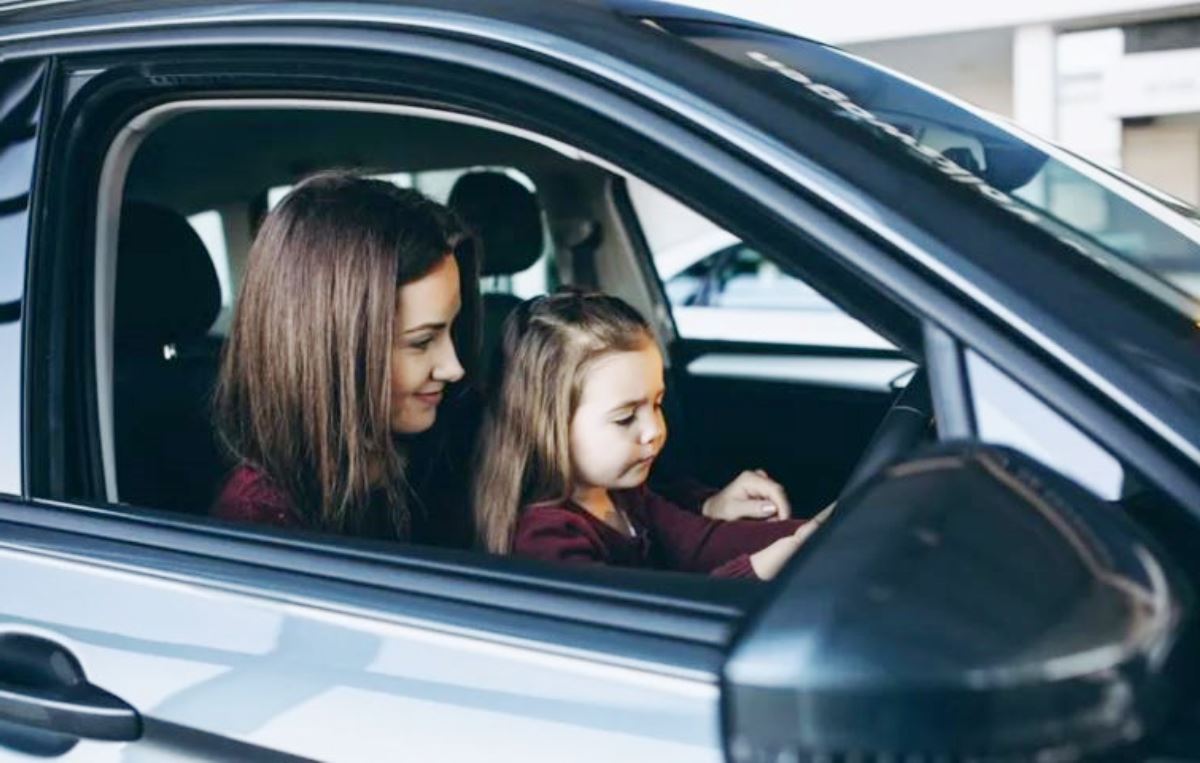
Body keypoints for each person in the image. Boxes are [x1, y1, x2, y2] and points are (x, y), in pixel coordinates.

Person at [474, 290, 826, 580]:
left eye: (657, 404)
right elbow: (640, 622)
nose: (654, 430)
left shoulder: (622, 496)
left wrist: (814, 534)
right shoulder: (544, 540)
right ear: (545, 424)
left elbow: (697, 543)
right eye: (625, 418)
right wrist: (756, 571)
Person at [211, 171, 481, 547]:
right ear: (334, 348)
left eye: (452, 329)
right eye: (421, 342)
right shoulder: (262, 522)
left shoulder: (446, 447)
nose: (454, 368)